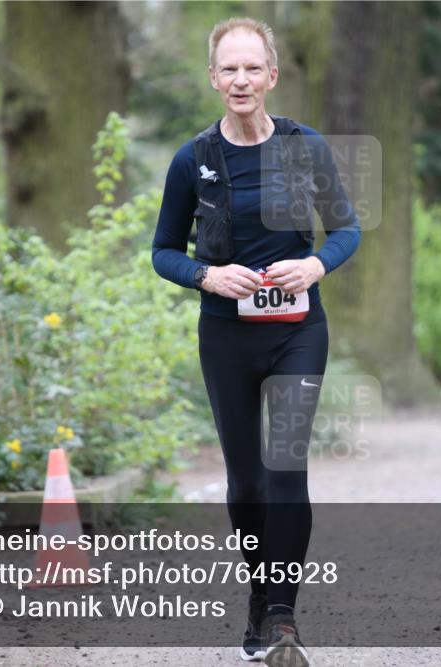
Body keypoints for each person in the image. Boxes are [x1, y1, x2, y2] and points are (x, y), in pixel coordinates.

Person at [151, 17, 360, 667]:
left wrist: (317, 264)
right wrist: (207, 274)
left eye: (252, 68)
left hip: (299, 331)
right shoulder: (193, 160)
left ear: (272, 76)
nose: (241, 79)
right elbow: (163, 251)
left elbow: (346, 229)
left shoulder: (306, 147)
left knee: (284, 471)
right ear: (214, 79)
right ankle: (259, 594)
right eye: (228, 69)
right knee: (245, 483)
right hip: (226, 336)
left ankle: (282, 618)